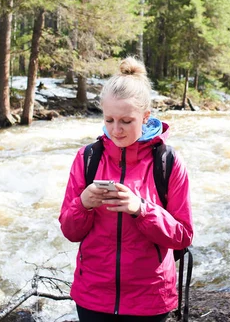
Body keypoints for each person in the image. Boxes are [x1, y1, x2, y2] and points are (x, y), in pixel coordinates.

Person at [59, 57, 193, 322]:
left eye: (126, 121)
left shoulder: (167, 162)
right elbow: (69, 231)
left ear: (145, 117)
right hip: (93, 296)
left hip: (150, 299)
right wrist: (83, 204)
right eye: (109, 119)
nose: (116, 130)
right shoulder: (87, 158)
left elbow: (183, 236)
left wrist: (141, 210)